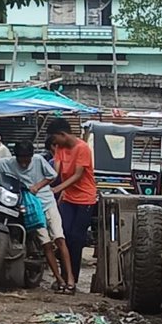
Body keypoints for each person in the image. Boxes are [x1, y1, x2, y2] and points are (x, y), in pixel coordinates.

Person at [46, 117, 96, 290]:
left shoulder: (82, 148)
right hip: (67, 198)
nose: (54, 143)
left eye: (55, 138)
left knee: (76, 238)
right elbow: (56, 171)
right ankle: (64, 275)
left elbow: (77, 175)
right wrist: (44, 183)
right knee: (62, 234)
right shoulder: (60, 148)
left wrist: (57, 188)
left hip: (85, 199)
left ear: (63, 134)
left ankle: (72, 277)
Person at [19, 138, 72, 291]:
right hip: (33, 208)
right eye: (21, 159)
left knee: (60, 239)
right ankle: (60, 279)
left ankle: (70, 278)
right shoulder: (12, 163)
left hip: (48, 203)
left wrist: (38, 186)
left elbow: (52, 175)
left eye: (26, 159)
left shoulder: (40, 160)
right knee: (46, 244)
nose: (24, 163)